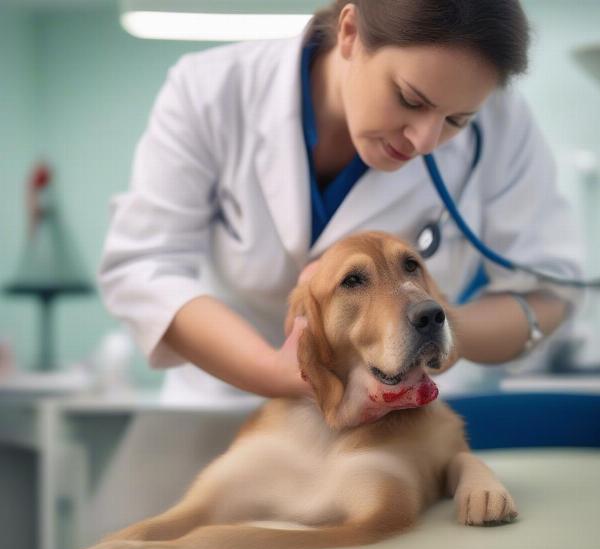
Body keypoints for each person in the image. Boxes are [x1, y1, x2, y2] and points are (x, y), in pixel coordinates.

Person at [99, 0, 583, 407]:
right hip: (229, 406)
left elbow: (549, 293)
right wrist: (272, 372)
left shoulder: (502, 125)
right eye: (410, 100)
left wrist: (442, 331)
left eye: (456, 120)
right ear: (350, 33)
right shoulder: (210, 91)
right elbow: (144, 268)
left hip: (397, 416)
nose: (425, 140)